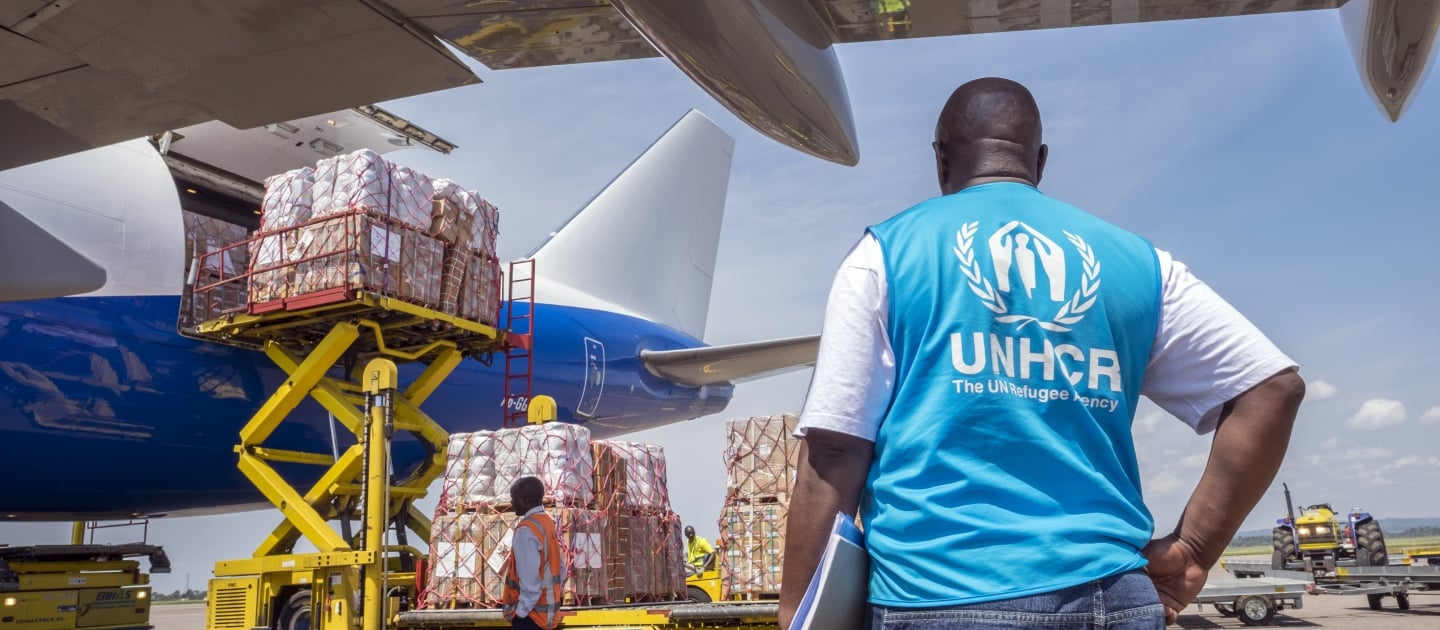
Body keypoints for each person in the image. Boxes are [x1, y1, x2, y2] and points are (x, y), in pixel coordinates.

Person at [778, 77, 1305, 629]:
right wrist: (1193, 549)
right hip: (1113, 597)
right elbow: (1273, 388)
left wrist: (797, 616)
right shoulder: (1139, 264)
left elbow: (836, 452)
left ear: (940, 159)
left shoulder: (886, 255)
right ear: (1040, 161)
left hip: (941, 594)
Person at [501, 476, 565, 630]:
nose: (511, 503)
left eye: (513, 498)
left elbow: (530, 581)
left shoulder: (526, 530)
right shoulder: (546, 522)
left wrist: (521, 612)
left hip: (531, 617)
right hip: (547, 615)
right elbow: (561, 569)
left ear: (526, 500)